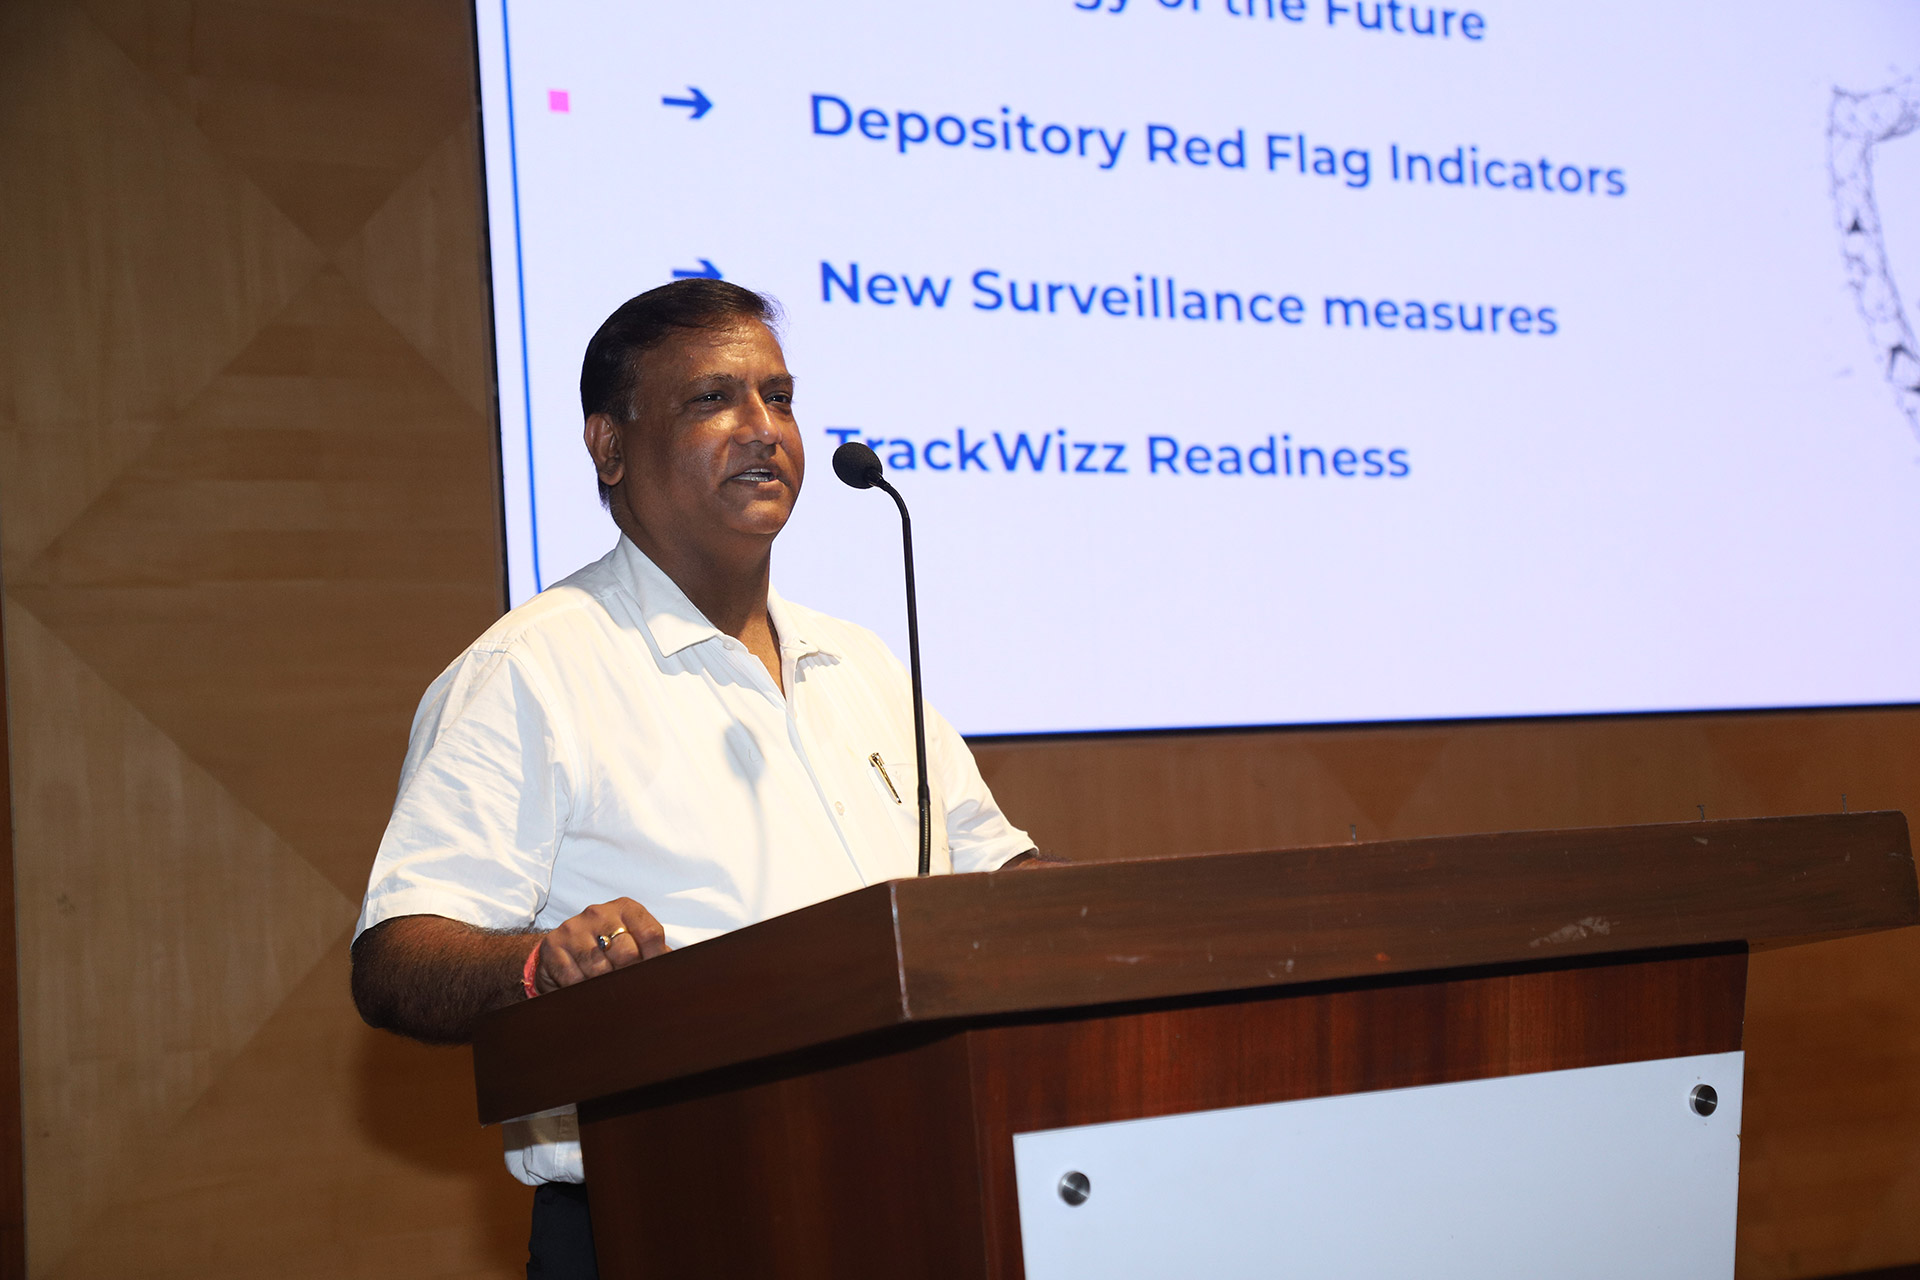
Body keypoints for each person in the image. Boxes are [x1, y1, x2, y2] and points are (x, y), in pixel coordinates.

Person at [349, 279, 1045, 1279]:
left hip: (908, 1191)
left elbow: (1002, 885)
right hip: (669, 1214)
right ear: (609, 446)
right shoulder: (534, 670)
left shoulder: (858, 662)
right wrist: (542, 966)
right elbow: (397, 958)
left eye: (780, 397)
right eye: (714, 399)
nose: (764, 429)